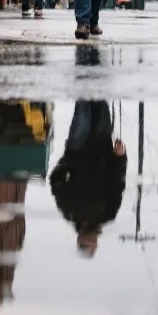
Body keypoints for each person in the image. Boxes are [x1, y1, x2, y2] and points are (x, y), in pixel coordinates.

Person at [48, 98, 127, 258]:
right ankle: (98, 81)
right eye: (94, 244)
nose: (92, 241)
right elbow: (117, 182)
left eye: (87, 243)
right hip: (103, 146)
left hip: (78, 147)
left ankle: (82, 81)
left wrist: (68, 164)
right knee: (101, 102)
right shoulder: (108, 214)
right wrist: (120, 157)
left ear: (79, 239)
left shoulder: (70, 211)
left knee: (83, 107)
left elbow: (55, 181)